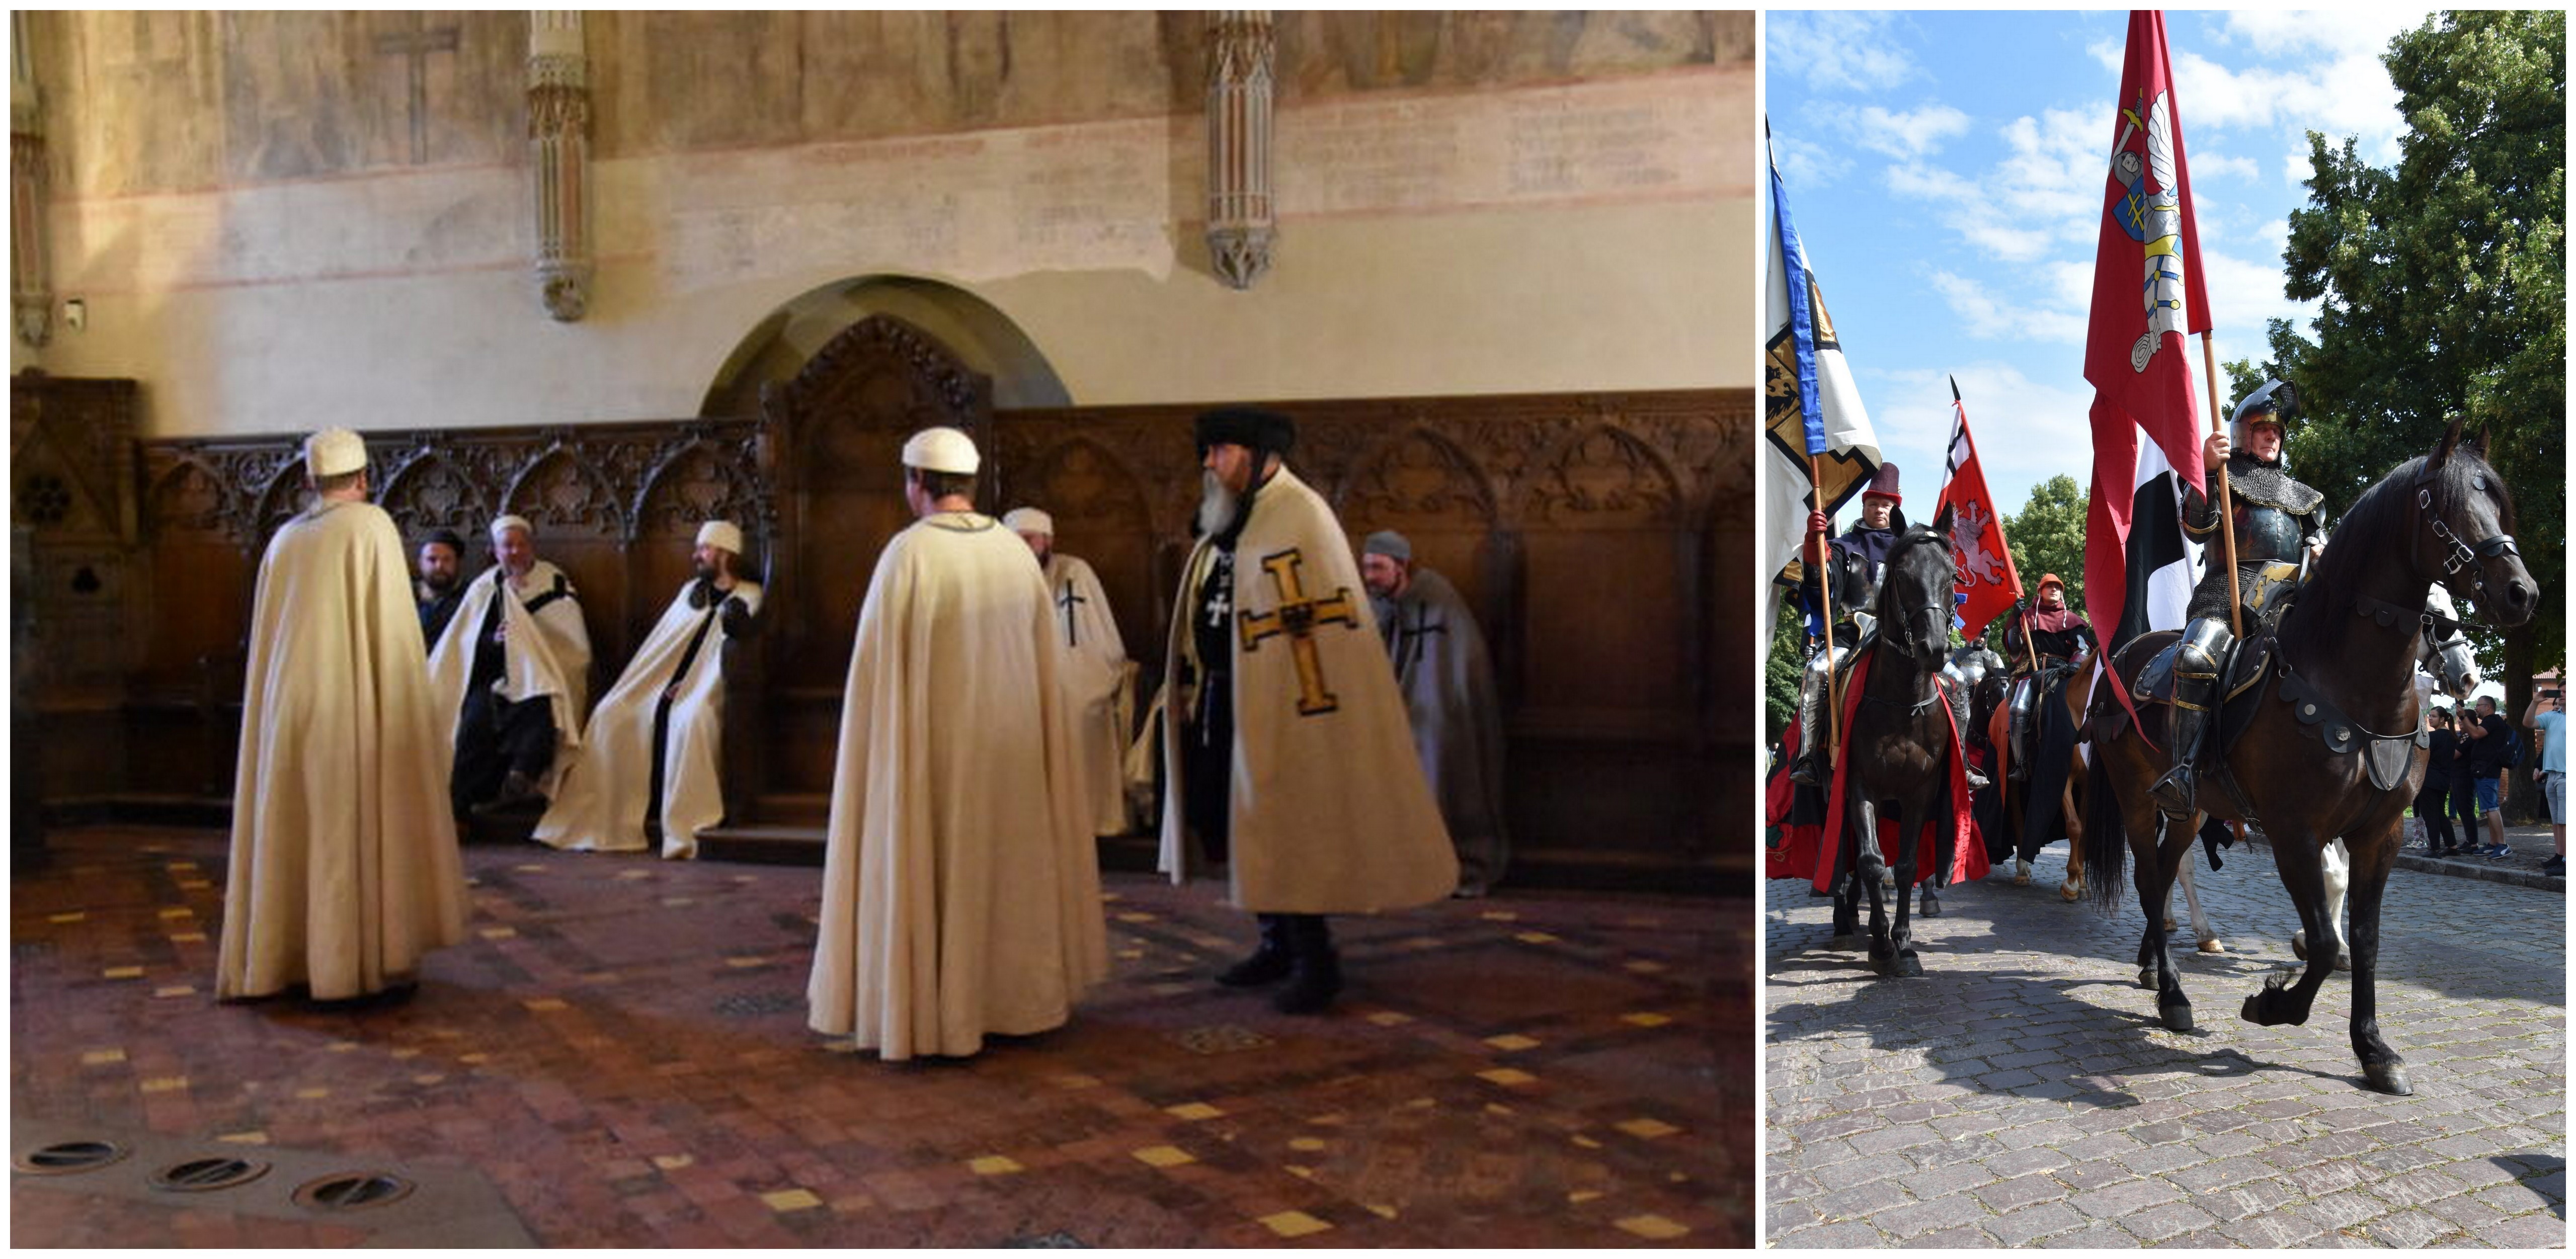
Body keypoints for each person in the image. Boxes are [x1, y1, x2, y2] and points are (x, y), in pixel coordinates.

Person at [806, 427, 1106, 1059]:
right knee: (1007, 869)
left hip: (931, 761)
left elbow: (874, 679)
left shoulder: (908, 553)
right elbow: (1046, 665)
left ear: (916, 481)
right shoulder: (1013, 553)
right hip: (1012, 758)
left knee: (932, 864)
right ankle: (1013, 1002)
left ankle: (929, 1009)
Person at [1160, 407, 1457, 1015]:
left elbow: (1321, 618)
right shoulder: (1235, 513)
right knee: (1239, 822)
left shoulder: (1300, 514)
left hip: (1288, 700)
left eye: (1219, 451)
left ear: (1254, 453)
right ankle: (1274, 942)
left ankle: (1316, 961)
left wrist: (1291, 693)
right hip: (1226, 694)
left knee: (1288, 823)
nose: (1209, 464)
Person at [216, 428, 468, 1002]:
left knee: (296, 826)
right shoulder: (369, 526)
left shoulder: (285, 539)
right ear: (363, 478)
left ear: (310, 479)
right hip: (349, 708)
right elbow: (394, 635)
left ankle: (289, 961)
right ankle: (359, 965)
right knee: (351, 825)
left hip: (287, 710)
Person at [533, 522, 763, 859]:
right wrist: (666, 685)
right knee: (611, 714)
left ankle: (687, 825)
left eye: (705, 549)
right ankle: (606, 819)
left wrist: (689, 686)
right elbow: (662, 649)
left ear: (726, 553)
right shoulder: (691, 592)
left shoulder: (750, 595)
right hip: (662, 684)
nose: (697, 555)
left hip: (709, 688)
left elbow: (724, 653)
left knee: (692, 720)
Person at [2150, 379, 2328, 813]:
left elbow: (2318, 546)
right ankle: (2183, 772)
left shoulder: (2303, 497)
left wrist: (2322, 553)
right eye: (2263, 429)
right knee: (2195, 659)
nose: (2272, 437)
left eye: (2278, 431)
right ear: (2243, 434)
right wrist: (2207, 471)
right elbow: (2196, 529)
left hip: (2290, 596)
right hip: (2227, 592)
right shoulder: (2224, 477)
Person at [1361, 529, 1510, 897]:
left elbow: (1453, 666)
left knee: (1437, 773)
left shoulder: (1438, 598)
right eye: (1366, 567)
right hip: (1394, 717)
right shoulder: (1378, 603)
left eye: (1378, 568)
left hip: (1438, 714)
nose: (1370, 576)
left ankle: (1444, 866)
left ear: (1401, 567)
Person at [427, 515, 594, 817]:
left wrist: (530, 643)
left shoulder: (552, 581)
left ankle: (523, 774)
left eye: (521, 545)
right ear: (495, 551)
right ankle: (462, 806)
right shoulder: (484, 587)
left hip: (544, 673)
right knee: (475, 720)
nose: (515, 552)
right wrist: (495, 640)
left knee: (541, 706)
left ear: (531, 547)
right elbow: (465, 644)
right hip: (494, 676)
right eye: (507, 546)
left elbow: (569, 642)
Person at [1005, 506, 1134, 837]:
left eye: (1030, 539)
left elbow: (1093, 641)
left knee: (1078, 709)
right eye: (1016, 541)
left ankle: (1086, 818)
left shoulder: (1075, 571)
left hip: (1079, 675)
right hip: (1022, 679)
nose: (1023, 548)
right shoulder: (1002, 577)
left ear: (1047, 540)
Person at [1787, 464, 1907, 787]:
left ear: (1896, 509)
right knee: (1817, 672)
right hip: (1853, 633)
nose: (1879, 509)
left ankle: (1960, 759)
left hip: (1901, 636)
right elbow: (1824, 593)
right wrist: (1814, 546)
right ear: (1864, 506)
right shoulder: (1843, 547)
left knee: (1954, 680)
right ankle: (1809, 756)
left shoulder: (1910, 548)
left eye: (1886, 505)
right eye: (1873, 503)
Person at [2000, 573, 2095, 780]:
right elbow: (2015, 648)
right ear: (2040, 591)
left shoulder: (2071, 619)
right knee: (2018, 708)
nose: (2054, 590)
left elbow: (2082, 647)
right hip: (2032, 673)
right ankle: (2020, 763)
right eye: (2049, 586)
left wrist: (2076, 664)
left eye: (2058, 587)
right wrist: (2015, 620)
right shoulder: (2027, 617)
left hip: (2064, 671)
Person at [2458, 695, 2514, 859]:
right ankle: (2493, 843)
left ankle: (2503, 845)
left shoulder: (2493, 721)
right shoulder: (2491, 722)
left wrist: (2463, 717)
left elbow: (2475, 734)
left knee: (2491, 808)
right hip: (2483, 771)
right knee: (2488, 809)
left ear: (2488, 707)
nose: (2476, 708)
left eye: (2479, 705)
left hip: (2488, 771)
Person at [2528, 690, 2565, 877]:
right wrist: (2535, 702)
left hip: (2567, 776)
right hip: (2552, 776)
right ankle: (2560, 855)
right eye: (2561, 691)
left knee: (2567, 821)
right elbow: (2528, 723)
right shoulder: (2553, 716)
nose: (2562, 694)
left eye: (2567, 691)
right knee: (2557, 821)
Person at [2418, 708, 2461, 857]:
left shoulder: (2433, 737)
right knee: (2440, 814)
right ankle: (2453, 846)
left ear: (2442, 719)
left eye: (2434, 716)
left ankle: (2435, 848)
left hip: (2429, 780)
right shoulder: (2451, 737)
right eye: (2430, 716)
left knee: (2430, 815)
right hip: (2443, 780)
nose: (2430, 718)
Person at [415, 528, 469, 644]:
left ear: (458, 563)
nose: (439, 566)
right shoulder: (405, 595)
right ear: (420, 563)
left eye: (447, 560)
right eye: (432, 560)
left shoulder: (472, 596)